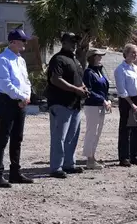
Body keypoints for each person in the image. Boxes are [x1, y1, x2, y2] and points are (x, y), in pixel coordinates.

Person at [0, 29, 34, 187]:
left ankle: (15, 172)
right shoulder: (3, 59)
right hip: (7, 101)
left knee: (17, 138)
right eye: (22, 40)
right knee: (3, 137)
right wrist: (21, 96)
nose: (25, 43)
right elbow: (5, 84)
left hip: (21, 101)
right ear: (13, 42)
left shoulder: (20, 60)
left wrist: (26, 96)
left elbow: (26, 81)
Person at [46, 32, 89, 179]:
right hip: (60, 103)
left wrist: (83, 87)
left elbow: (78, 79)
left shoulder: (75, 60)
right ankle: (56, 167)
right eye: (72, 41)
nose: (74, 44)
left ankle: (69, 164)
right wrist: (76, 90)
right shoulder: (58, 59)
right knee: (59, 136)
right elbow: (55, 79)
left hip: (75, 103)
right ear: (63, 42)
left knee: (72, 136)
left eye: (76, 42)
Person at [114, 44, 137, 166]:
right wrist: (132, 104)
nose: (135, 55)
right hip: (127, 101)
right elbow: (122, 90)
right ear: (126, 53)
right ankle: (124, 157)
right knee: (125, 129)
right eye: (133, 53)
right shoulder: (120, 69)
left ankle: (135, 155)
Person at [82, 48, 111, 170]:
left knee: (97, 132)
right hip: (92, 105)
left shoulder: (100, 72)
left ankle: (93, 156)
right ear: (92, 58)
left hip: (101, 105)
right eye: (98, 56)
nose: (100, 58)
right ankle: (89, 159)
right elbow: (88, 90)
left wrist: (108, 99)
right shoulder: (88, 72)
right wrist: (102, 100)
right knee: (91, 132)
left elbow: (105, 89)